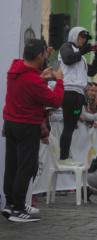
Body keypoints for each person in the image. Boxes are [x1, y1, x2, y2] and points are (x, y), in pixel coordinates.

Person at [1, 39, 64, 222]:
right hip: (26, 126)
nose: (47, 55)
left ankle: (10, 204)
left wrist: (41, 76)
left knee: (12, 166)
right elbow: (55, 101)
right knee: (26, 168)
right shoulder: (33, 81)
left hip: (10, 123)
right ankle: (18, 209)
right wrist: (58, 81)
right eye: (45, 53)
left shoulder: (16, 66)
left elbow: (30, 79)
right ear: (39, 56)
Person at [58, 26, 97, 165]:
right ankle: (63, 157)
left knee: (70, 126)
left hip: (78, 95)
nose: (83, 40)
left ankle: (65, 156)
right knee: (68, 126)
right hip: (69, 92)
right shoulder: (66, 47)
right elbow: (68, 59)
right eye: (81, 37)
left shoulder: (81, 57)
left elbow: (92, 72)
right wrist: (85, 50)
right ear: (74, 36)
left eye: (85, 38)